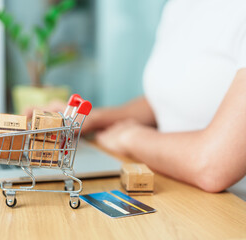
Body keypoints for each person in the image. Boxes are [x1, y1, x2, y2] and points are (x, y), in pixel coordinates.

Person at [26, 0, 246, 195]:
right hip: (176, 187)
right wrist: (95, 118)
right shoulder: (179, 6)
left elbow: (212, 165)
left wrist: (131, 138)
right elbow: (165, 100)